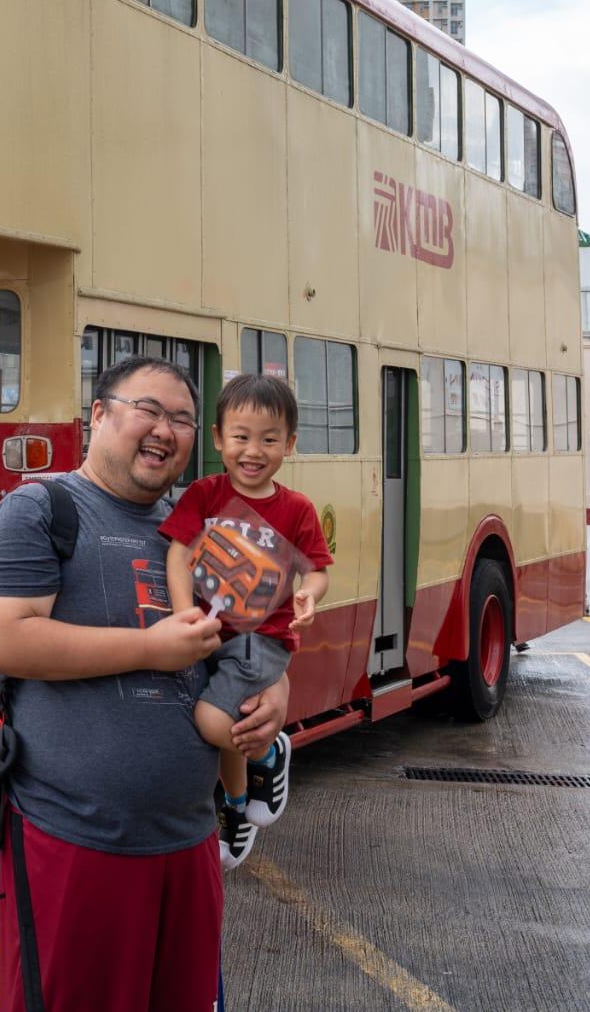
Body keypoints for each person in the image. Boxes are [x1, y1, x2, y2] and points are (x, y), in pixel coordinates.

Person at [0, 356, 291, 1012]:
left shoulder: (204, 527)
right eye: (149, 409)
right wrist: (151, 648)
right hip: (75, 841)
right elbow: (0, 638)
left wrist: (275, 697)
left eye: (182, 419)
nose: (165, 430)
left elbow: (250, 646)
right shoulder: (41, 509)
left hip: (189, 843)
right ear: (98, 414)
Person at [161, 373, 332, 871]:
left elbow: (316, 570)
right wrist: (183, 615)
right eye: (241, 437)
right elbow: (179, 555)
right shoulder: (204, 495)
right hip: (210, 632)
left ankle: (265, 759)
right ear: (218, 438)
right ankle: (239, 802)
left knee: (213, 720)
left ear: (290, 444)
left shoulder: (296, 509)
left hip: (262, 639)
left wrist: (308, 595)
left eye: (269, 440)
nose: (253, 451)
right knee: (226, 721)